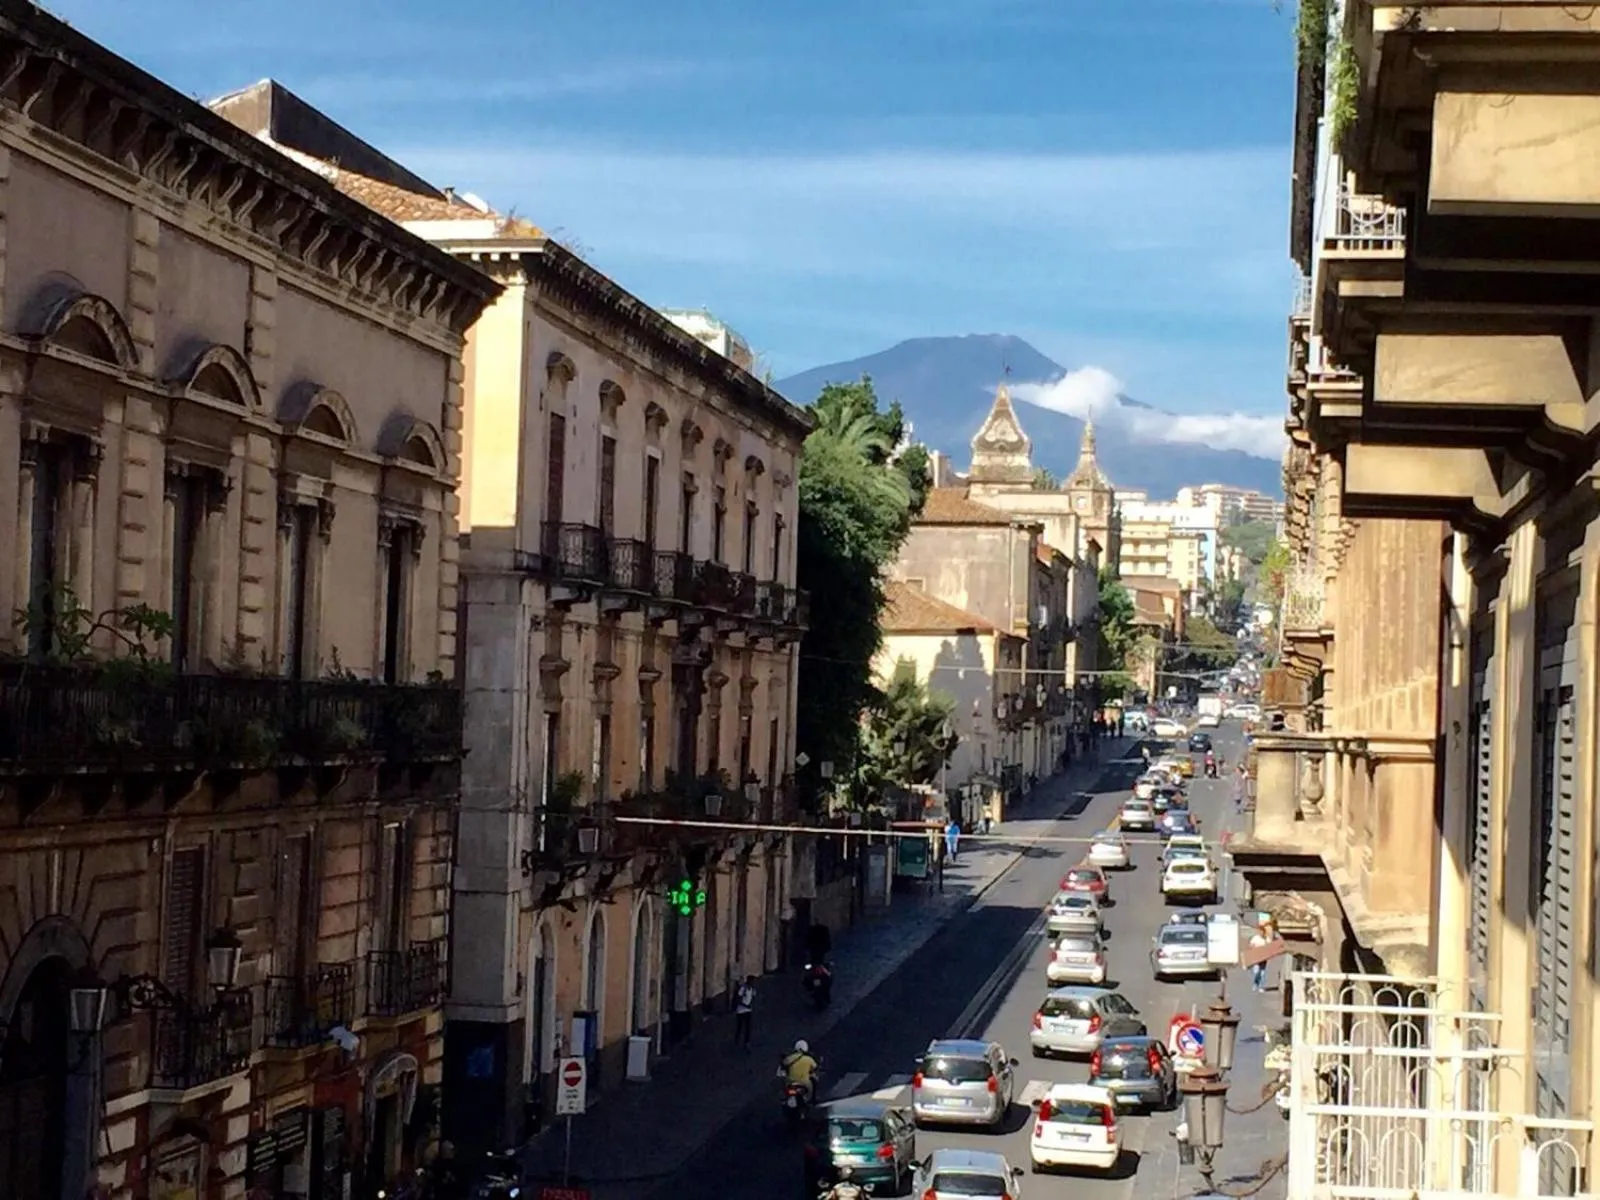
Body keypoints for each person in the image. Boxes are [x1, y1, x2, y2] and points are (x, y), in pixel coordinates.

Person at [1249, 919, 1274, 993]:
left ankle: (1260, 987)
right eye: (1260, 932)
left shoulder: (1267, 939)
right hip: (1256, 957)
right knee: (1256, 972)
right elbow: (1251, 945)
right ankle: (1255, 984)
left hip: (1263, 958)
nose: (1261, 933)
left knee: (1262, 973)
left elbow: (1270, 947)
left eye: (1262, 932)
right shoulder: (1255, 938)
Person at [734, 974, 756, 1047]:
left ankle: (747, 1041)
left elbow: (752, 998)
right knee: (739, 1026)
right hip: (741, 1011)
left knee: (748, 1026)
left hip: (748, 1011)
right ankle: (737, 1039)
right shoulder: (743, 988)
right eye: (752, 981)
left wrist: (750, 1005)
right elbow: (738, 999)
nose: (753, 983)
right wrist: (745, 1005)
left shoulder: (753, 989)